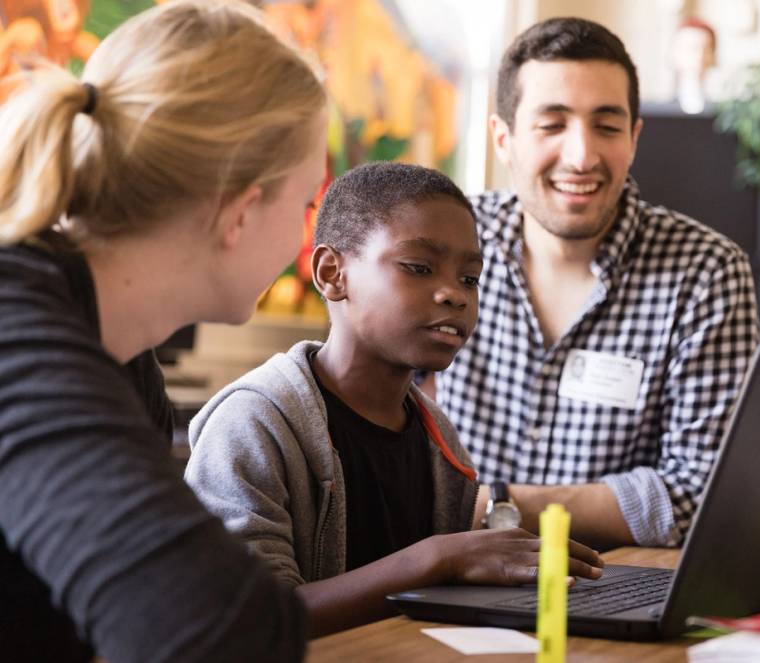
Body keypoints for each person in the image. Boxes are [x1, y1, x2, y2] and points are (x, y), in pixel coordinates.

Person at [0, 1, 330, 660]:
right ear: (240, 212)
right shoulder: (17, 325)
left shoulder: (119, 354)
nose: (306, 225)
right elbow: (219, 630)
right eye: (306, 202)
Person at [184, 162, 604, 637]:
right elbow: (251, 618)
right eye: (419, 268)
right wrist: (438, 557)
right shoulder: (253, 423)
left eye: (470, 278)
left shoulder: (437, 437)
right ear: (332, 273)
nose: (454, 295)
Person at [432, 17, 760, 550]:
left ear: (633, 138)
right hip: (443, 581)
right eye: (552, 124)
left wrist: (492, 505)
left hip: (611, 591)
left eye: (606, 126)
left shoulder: (706, 272)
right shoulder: (446, 243)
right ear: (503, 138)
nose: (582, 156)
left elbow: (701, 493)